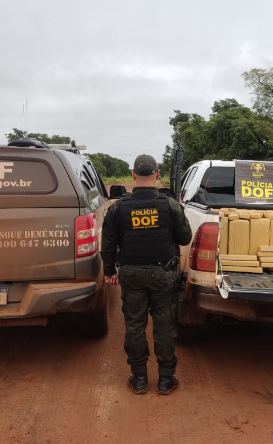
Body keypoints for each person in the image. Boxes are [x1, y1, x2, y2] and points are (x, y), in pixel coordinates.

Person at [101, 154, 193, 395]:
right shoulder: (171, 205)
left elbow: (108, 241)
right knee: (163, 325)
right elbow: (185, 238)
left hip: (130, 275)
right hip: (163, 274)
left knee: (134, 325)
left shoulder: (119, 207)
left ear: (133, 175)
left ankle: (139, 379)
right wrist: (179, 211)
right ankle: (165, 380)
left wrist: (109, 270)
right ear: (158, 173)